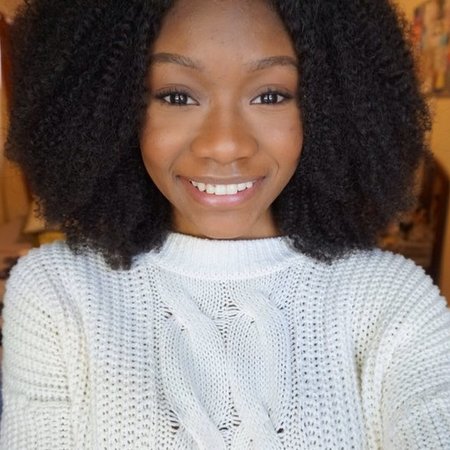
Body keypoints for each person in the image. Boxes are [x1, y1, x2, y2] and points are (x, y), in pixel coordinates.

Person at [1, 0, 449, 448]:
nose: (225, 145)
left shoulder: (390, 299)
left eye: (270, 96)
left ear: (330, 107)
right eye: (177, 96)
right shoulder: (57, 294)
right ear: (110, 108)